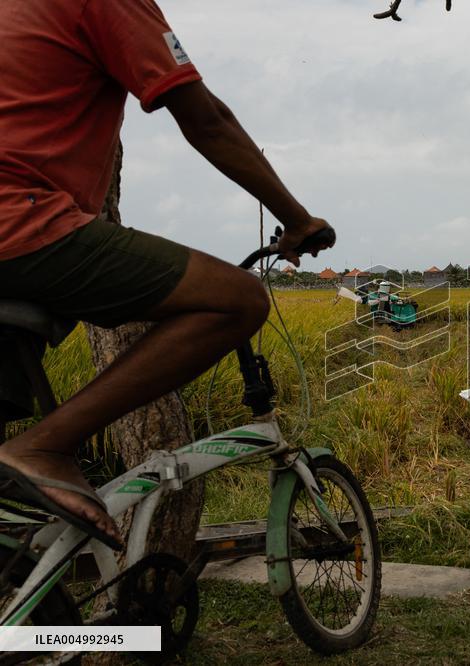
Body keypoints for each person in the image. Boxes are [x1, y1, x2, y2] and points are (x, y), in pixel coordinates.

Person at [0, 0, 333, 550]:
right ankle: (45, 446)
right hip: (21, 224)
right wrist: (297, 220)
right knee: (238, 300)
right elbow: (206, 119)